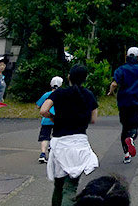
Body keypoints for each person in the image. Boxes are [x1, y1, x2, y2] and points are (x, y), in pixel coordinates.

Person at [40, 64, 99, 206]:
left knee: (58, 186)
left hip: (60, 143)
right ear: (85, 78)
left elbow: (43, 110)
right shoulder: (89, 95)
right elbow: (93, 119)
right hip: (79, 143)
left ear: (68, 77)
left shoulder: (59, 93)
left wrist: (53, 117)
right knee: (70, 188)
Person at [108, 46, 138, 163]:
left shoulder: (121, 69)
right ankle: (131, 138)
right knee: (134, 125)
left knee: (125, 126)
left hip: (123, 100)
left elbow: (114, 84)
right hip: (137, 100)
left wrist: (111, 92)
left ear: (127, 56)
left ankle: (126, 154)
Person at [36, 76, 64, 163]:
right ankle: (54, 152)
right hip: (58, 119)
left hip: (46, 118)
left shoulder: (46, 95)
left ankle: (43, 154)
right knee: (57, 136)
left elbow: (38, 105)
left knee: (45, 137)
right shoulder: (62, 94)